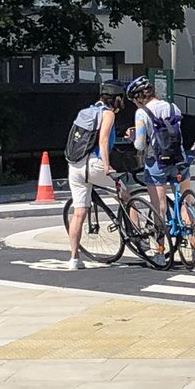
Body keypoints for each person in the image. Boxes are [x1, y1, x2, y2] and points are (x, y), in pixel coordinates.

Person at [125, 76, 195, 250]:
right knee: (185, 202)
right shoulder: (173, 107)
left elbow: (140, 144)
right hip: (179, 159)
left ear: (138, 97)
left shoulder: (142, 113)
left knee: (159, 208)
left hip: (157, 162)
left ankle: (159, 250)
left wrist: (132, 137)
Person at [66, 80, 124, 270]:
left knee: (79, 212)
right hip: (94, 165)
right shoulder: (107, 114)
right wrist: (107, 166)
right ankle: (141, 239)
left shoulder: (86, 112)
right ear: (115, 99)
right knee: (126, 195)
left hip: (75, 166)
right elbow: (103, 141)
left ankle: (74, 258)